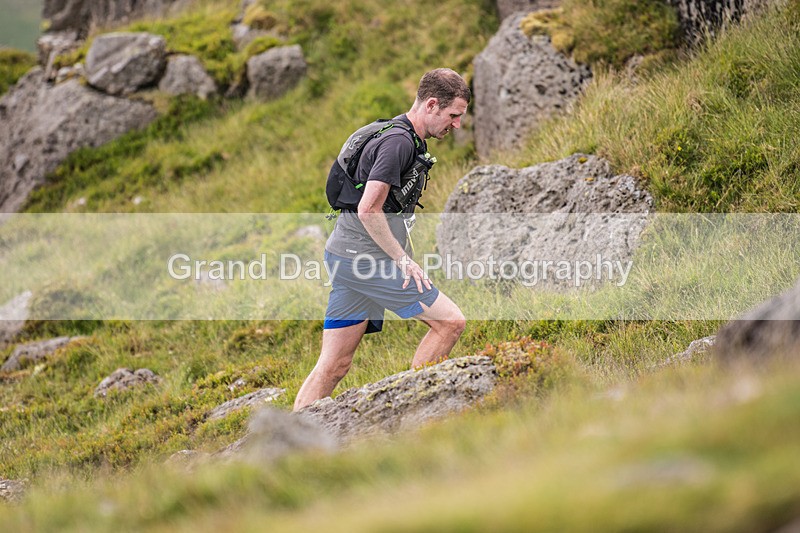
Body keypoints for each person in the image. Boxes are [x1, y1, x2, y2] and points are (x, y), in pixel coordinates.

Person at [293, 68, 469, 411]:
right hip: (365, 261)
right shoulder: (398, 143)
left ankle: (289, 433)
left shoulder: (397, 133)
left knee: (334, 364)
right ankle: (419, 412)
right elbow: (369, 210)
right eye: (453, 115)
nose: (457, 125)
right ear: (432, 105)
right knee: (449, 323)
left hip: (345, 258)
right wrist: (403, 260)